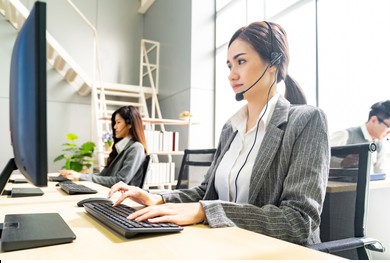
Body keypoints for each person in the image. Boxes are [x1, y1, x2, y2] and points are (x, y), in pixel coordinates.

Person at [107, 21, 330, 246]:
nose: (232, 75)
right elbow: (206, 192)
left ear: (273, 62)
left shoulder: (306, 121)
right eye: (229, 66)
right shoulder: (231, 128)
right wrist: (158, 198)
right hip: (224, 244)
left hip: (274, 255)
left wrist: (207, 211)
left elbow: (299, 221)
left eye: (241, 62)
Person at [60, 105, 148, 187]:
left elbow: (120, 181)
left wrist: (80, 177)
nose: (114, 127)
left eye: (118, 122)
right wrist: (77, 175)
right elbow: (103, 176)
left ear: (130, 124)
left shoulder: (136, 148)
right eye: (114, 123)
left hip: (124, 199)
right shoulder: (122, 148)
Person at [330, 101, 390, 174]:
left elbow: (380, 172)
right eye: (388, 126)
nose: (389, 132)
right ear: (374, 120)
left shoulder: (379, 144)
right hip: (342, 184)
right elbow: (320, 158)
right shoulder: (345, 135)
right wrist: (342, 162)